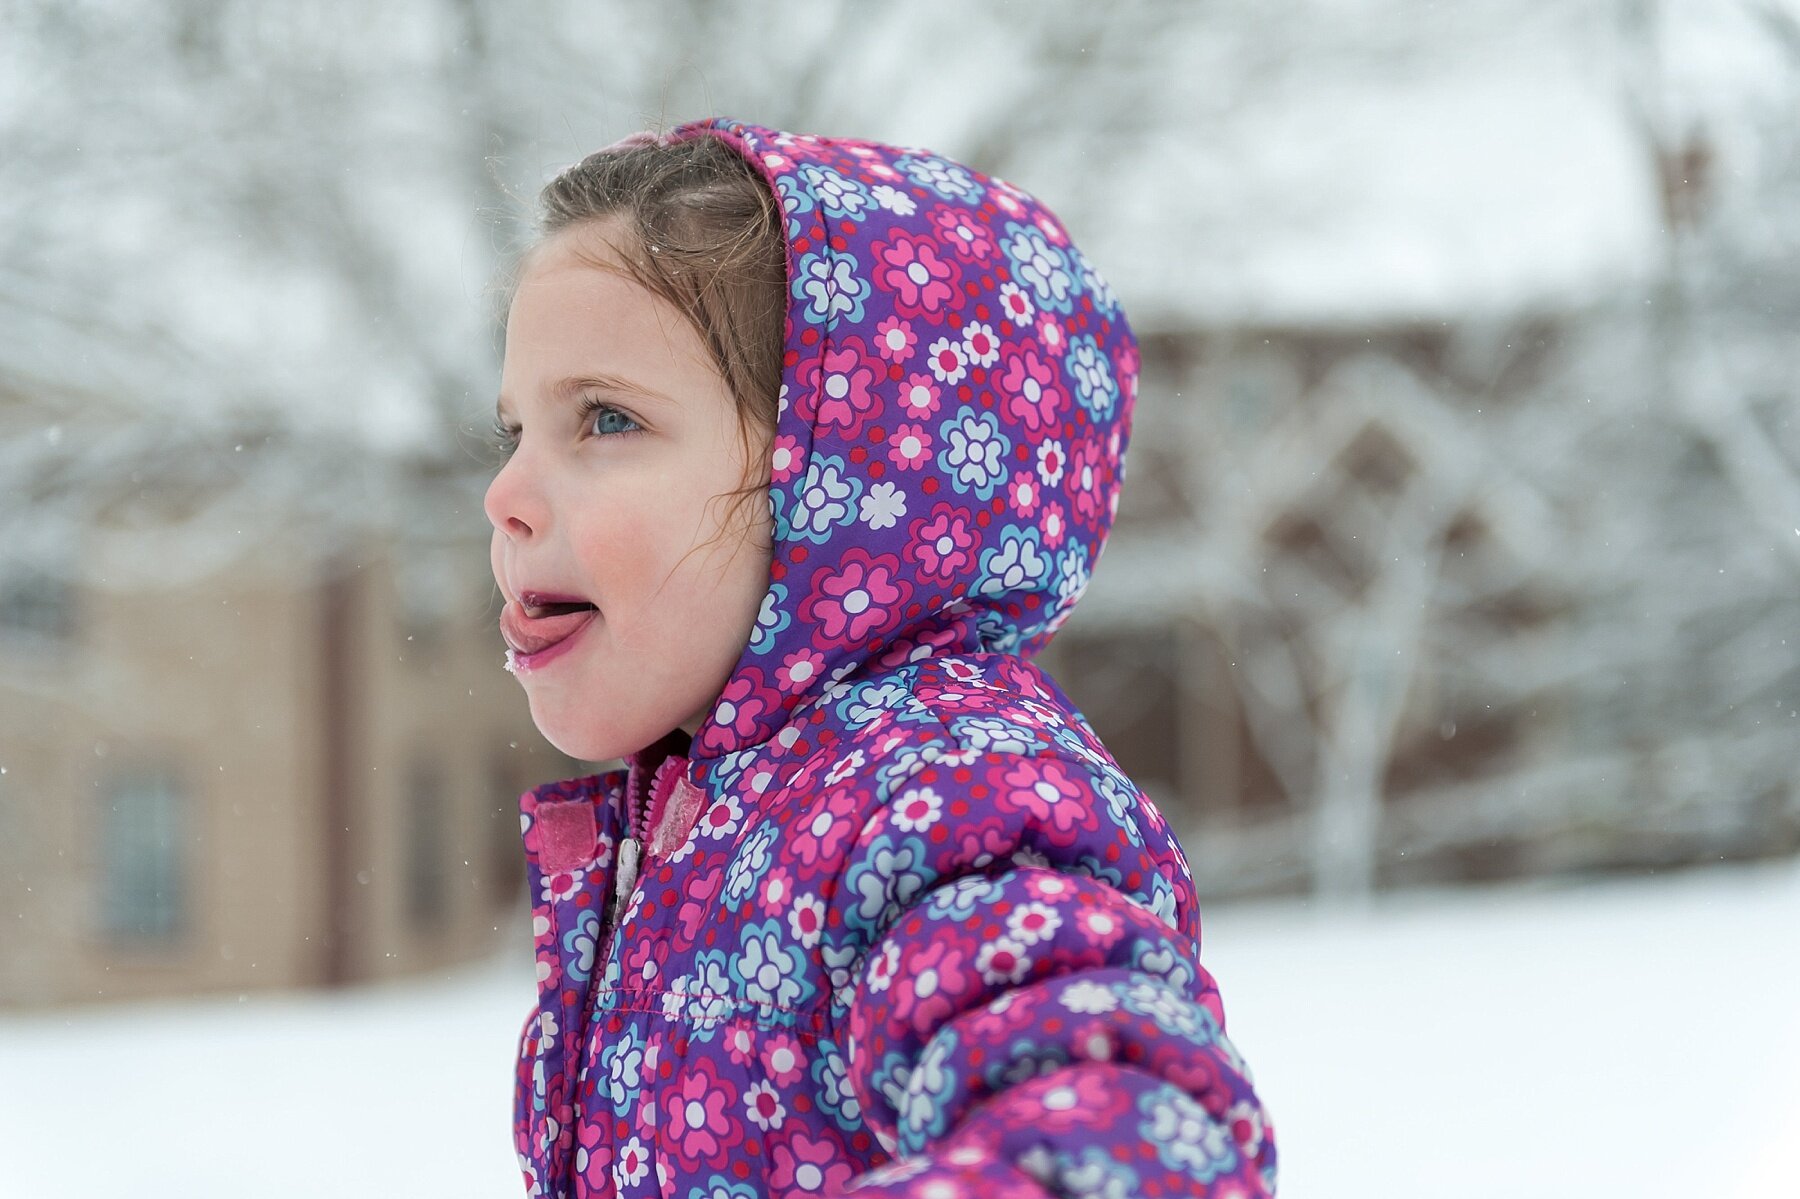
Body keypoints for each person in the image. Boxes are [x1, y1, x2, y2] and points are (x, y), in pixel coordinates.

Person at [485, 117, 1278, 1199]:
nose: (507, 495)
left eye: (607, 419)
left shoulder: (952, 799)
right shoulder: (702, 826)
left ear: (834, 472)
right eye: (513, 432)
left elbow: (1122, 1135)